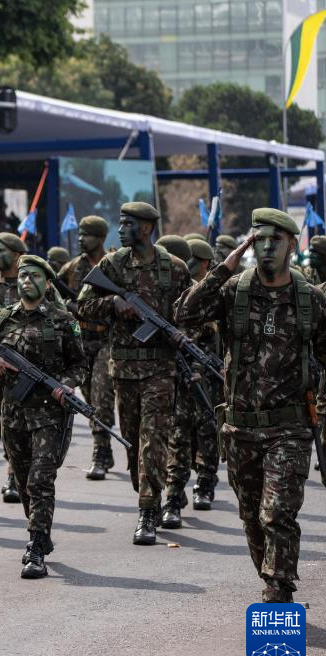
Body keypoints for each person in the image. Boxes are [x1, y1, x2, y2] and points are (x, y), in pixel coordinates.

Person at [177, 208, 326, 603]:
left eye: (276, 239)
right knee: (252, 517)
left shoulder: (310, 299)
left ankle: (278, 590)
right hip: (240, 427)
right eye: (259, 239)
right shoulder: (233, 292)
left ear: (292, 245)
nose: (267, 246)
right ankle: (270, 573)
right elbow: (185, 314)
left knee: (277, 514)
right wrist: (224, 267)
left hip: (289, 430)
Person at [77, 202, 191, 545]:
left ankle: (148, 509)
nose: (121, 230)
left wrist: (184, 335)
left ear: (146, 228)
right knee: (132, 442)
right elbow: (81, 306)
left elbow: (190, 314)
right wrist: (112, 305)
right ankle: (144, 491)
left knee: (152, 439)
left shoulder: (174, 268)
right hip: (124, 370)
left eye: (127, 224)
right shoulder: (111, 265)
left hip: (161, 369)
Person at [0, 255, 86, 578]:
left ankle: (35, 547)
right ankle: (40, 532)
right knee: (22, 480)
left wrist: (68, 384)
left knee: (40, 480)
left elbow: (79, 365)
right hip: (13, 413)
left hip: (49, 413)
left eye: (34, 276)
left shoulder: (63, 321)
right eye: (22, 276)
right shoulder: (2, 319)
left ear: (48, 283)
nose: (26, 281)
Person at [162, 236, 222, 524]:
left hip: (204, 374)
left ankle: (205, 482)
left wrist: (202, 369)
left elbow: (215, 342)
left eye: (194, 262)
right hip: (173, 373)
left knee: (207, 428)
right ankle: (174, 495)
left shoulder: (210, 294)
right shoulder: (169, 290)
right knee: (178, 434)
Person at [57, 216, 117, 480]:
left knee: (102, 396)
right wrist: (71, 309)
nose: (81, 239)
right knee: (90, 396)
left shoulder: (114, 265)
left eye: (87, 235)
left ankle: (101, 452)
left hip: (108, 341)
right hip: (81, 340)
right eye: (80, 234)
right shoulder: (71, 269)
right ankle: (103, 444)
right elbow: (55, 298)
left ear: (101, 237)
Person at [0, 232, 29, 503]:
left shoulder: (34, 282)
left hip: (26, 367)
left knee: (22, 422)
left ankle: (16, 473)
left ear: (15, 256)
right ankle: (14, 468)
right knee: (5, 421)